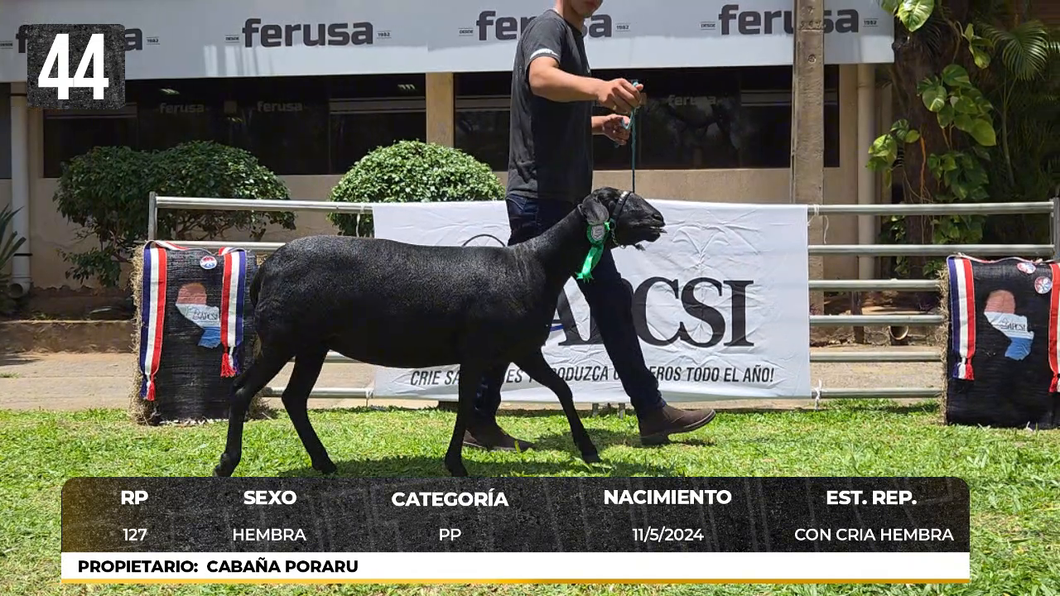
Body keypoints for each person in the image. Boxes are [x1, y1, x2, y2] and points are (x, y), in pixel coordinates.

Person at [461, 0, 717, 451]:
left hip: (569, 206)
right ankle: (477, 419)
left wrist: (599, 125)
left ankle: (650, 411)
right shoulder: (548, 27)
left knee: (611, 299)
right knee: (513, 314)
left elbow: (552, 117)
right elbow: (541, 80)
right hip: (540, 200)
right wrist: (600, 88)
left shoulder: (572, 35)